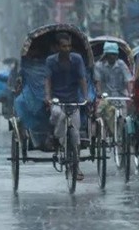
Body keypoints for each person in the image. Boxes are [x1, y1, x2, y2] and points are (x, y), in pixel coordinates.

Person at [44, 33, 88, 181]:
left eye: (69, 46)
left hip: (73, 99)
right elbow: (48, 80)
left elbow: (82, 79)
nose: (67, 49)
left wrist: (86, 97)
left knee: (75, 135)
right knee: (58, 115)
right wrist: (48, 98)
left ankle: (76, 166)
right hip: (57, 99)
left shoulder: (77, 59)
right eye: (64, 46)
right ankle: (56, 138)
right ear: (57, 47)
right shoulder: (50, 61)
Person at [95, 42, 132, 136]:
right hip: (106, 96)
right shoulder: (99, 66)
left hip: (120, 96)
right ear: (106, 54)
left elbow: (128, 80)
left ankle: (120, 137)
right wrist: (99, 93)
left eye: (114, 54)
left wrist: (131, 93)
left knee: (123, 118)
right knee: (99, 112)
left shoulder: (121, 64)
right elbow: (97, 81)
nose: (112, 57)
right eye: (110, 54)